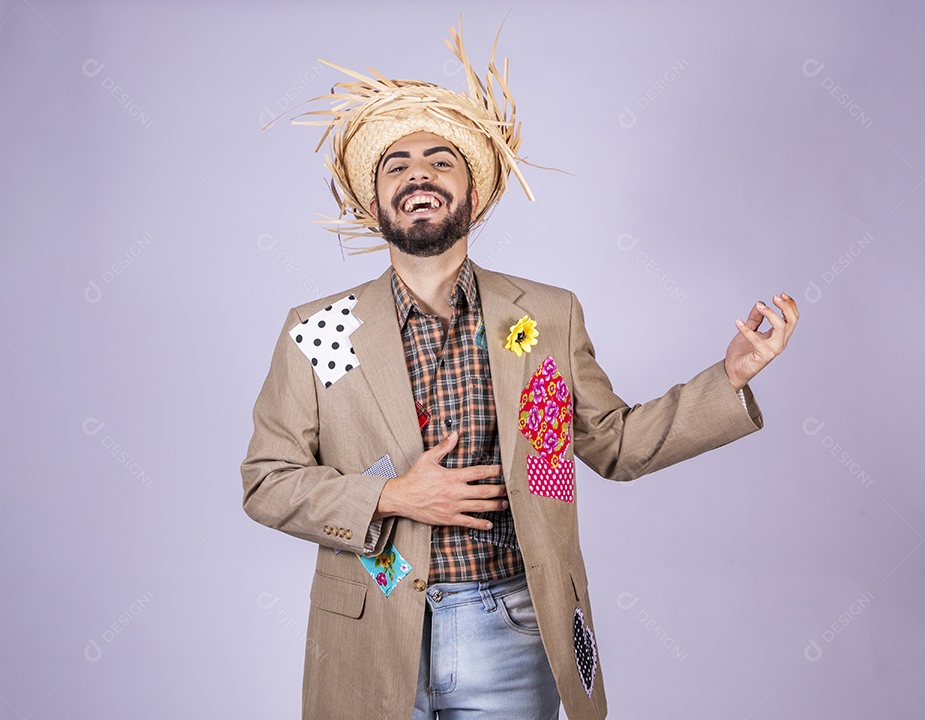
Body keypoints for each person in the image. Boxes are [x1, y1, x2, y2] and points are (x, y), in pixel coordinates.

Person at [241, 21, 797, 720]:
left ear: (471, 194)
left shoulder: (548, 316)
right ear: (375, 202)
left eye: (440, 161)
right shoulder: (322, 330)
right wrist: (391, 499)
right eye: (398, 164)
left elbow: (616, 445)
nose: (419, 173)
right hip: (368, 634)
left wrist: (731, 376)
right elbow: (268, 483)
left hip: (512, 627)